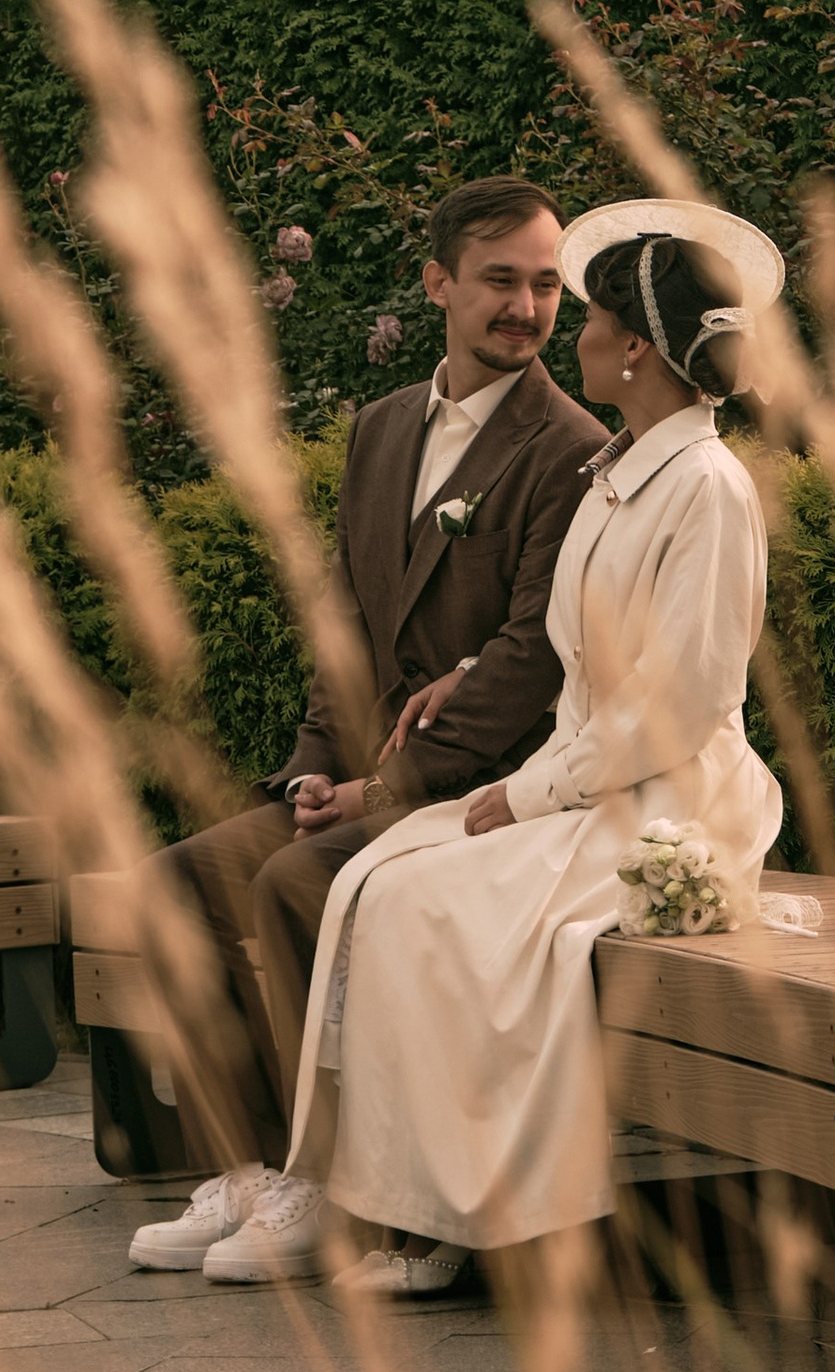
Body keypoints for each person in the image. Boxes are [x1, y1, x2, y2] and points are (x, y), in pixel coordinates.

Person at [280, 197, 786, 1298]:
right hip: (588, 775)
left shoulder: (707, 488)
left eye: (592, 313)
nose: (574, 331)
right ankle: (400, 1194)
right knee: (384, 876)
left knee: (434, 906)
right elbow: (578, 664)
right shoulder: (618, 470)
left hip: (672, 797)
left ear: (638, 348)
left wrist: (527, 792)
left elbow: (682, 702)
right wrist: (498, 733)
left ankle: (468, 1212)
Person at [127, 176, 607, 1282]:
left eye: (544, 286)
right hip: (359, 781)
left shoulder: (568, 447)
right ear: (437, 281)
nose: (525, 309)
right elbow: (346, 621)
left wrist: (382, 795)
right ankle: (255, 1172)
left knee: (296, 887)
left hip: (482, 795)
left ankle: (330, 1185)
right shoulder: (381, 429)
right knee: (178, 884)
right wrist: (311, 768)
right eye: (499, 281)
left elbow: (531, 663)